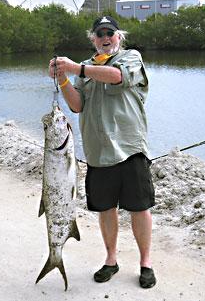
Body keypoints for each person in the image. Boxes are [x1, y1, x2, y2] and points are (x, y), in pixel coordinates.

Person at [48, 16, 156, 289]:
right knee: (105, 209)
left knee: (139, 208)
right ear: (93, 39)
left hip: (131, 150)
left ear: (119, 36)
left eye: (110, 33)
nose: (105, 37)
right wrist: (63, 79)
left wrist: (76, 68)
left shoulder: (131, 57)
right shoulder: (86, 68)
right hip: (98, 153)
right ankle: (111, 260)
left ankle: (145, 263)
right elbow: (77, 106)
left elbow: (117, 77)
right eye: (100, 34)